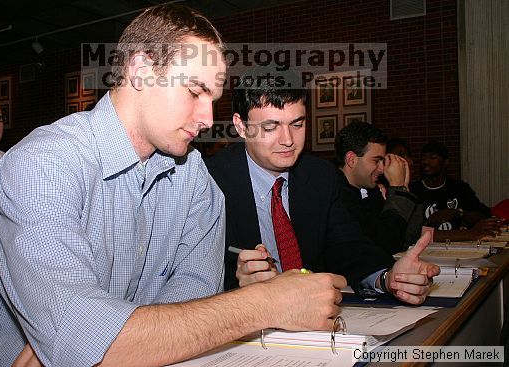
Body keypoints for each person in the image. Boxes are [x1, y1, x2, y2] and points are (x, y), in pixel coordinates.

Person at [0, 6, 345, 367]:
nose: (208, 118)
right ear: (141, 70)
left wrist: (111, 336)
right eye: (195, 91)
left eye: (213, 97)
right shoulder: (43, 164)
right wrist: (263, 304)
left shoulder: (194, 176)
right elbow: (83, 342)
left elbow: (191, 307)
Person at [205, 69, 438, 305]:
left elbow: (349, 247)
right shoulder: (209, 181)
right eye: (270, 127)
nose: (287, 140)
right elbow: (188, 279)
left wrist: (389, 278)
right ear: (241, 126)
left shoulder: (320, 176)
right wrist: (236, 290)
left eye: (297, 124)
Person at [334, 122, 422, 254]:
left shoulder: (372, 191)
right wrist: (398, 191)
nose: (381, 169)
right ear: (351, 159)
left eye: (383, 161)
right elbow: (387, 243)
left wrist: (403, 189)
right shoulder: (336, 196)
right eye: (376, 160)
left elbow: (406, 241)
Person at [410, 141, 501, 241]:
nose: (426, 162)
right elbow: (415, 233)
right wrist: (468, 234)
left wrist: (458, 213)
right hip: (426, 250)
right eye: (423, 158)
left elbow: (481, 215)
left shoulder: (459, 188)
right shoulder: (413, 190)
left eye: (432, 157)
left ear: (445, 162)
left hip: (458, 248)